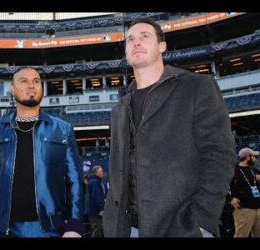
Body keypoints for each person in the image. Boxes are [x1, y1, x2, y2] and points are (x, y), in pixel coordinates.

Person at [103, 17, 236, 238]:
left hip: (183, 227)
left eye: (145, 36)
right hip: (127, 228)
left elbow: (219, 155)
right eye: (130, 39)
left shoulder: (197, 86)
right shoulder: (119, 108)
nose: (136, 42)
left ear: (162, 45)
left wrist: (202, 219)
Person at [0, 67, 83, 238]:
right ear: (12, 88)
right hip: (5, 229)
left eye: (36, 81)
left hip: (51, 230)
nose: (31, 85)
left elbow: (75, 179)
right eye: (24, 81)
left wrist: (75, 225)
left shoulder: (63, 129)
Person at [230, 147, 260, 237]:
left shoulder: (254, 171)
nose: (255, 159)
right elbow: (221, 187)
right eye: (254, 156)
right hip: (244, 210)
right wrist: (230, 199)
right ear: (248, 157)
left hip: (258, 208)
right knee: (241, 235)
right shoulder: (233, 172)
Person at [84, 166, 107, 237]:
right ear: (96, 173)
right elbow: (96, 196)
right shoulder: (94, 182)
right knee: (97, 228)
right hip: (94, 210)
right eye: (101, 171)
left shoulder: (95, 181)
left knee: (99, 228)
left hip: (94, 209)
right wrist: (101, 209)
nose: (102, 173)